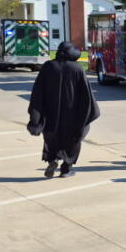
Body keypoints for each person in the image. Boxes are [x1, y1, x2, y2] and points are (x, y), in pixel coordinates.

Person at [28, 41, 99, 178]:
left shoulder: (48, 67)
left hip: (51, 113)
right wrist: (86, 114)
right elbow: (86, 96)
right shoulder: (77, 68)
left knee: (52, 138)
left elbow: (38, 91)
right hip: (72, 114)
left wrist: (36, 115)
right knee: (74, 138)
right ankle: (66, 168)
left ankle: (53, 159)